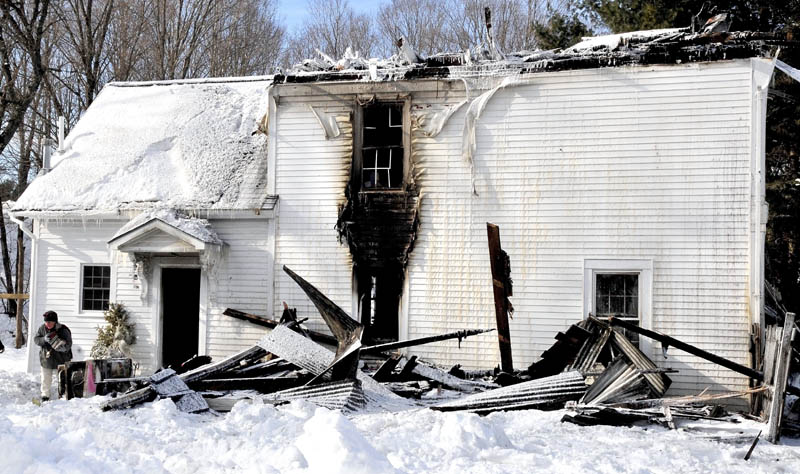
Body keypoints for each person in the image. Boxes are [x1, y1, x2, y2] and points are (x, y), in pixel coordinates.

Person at [33, 310, 72, 401]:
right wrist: (43, 339)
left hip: (61, 359)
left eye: (49, 322)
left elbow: (69, 343)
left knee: (63, 379)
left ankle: (64, 395)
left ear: (55, 321)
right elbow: (36, 339)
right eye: (46, 322)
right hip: (46, 359)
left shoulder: (63, 329)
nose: (47, 324)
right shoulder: (42, 328)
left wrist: (64, 348)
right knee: (45, 379)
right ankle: (45, 396)